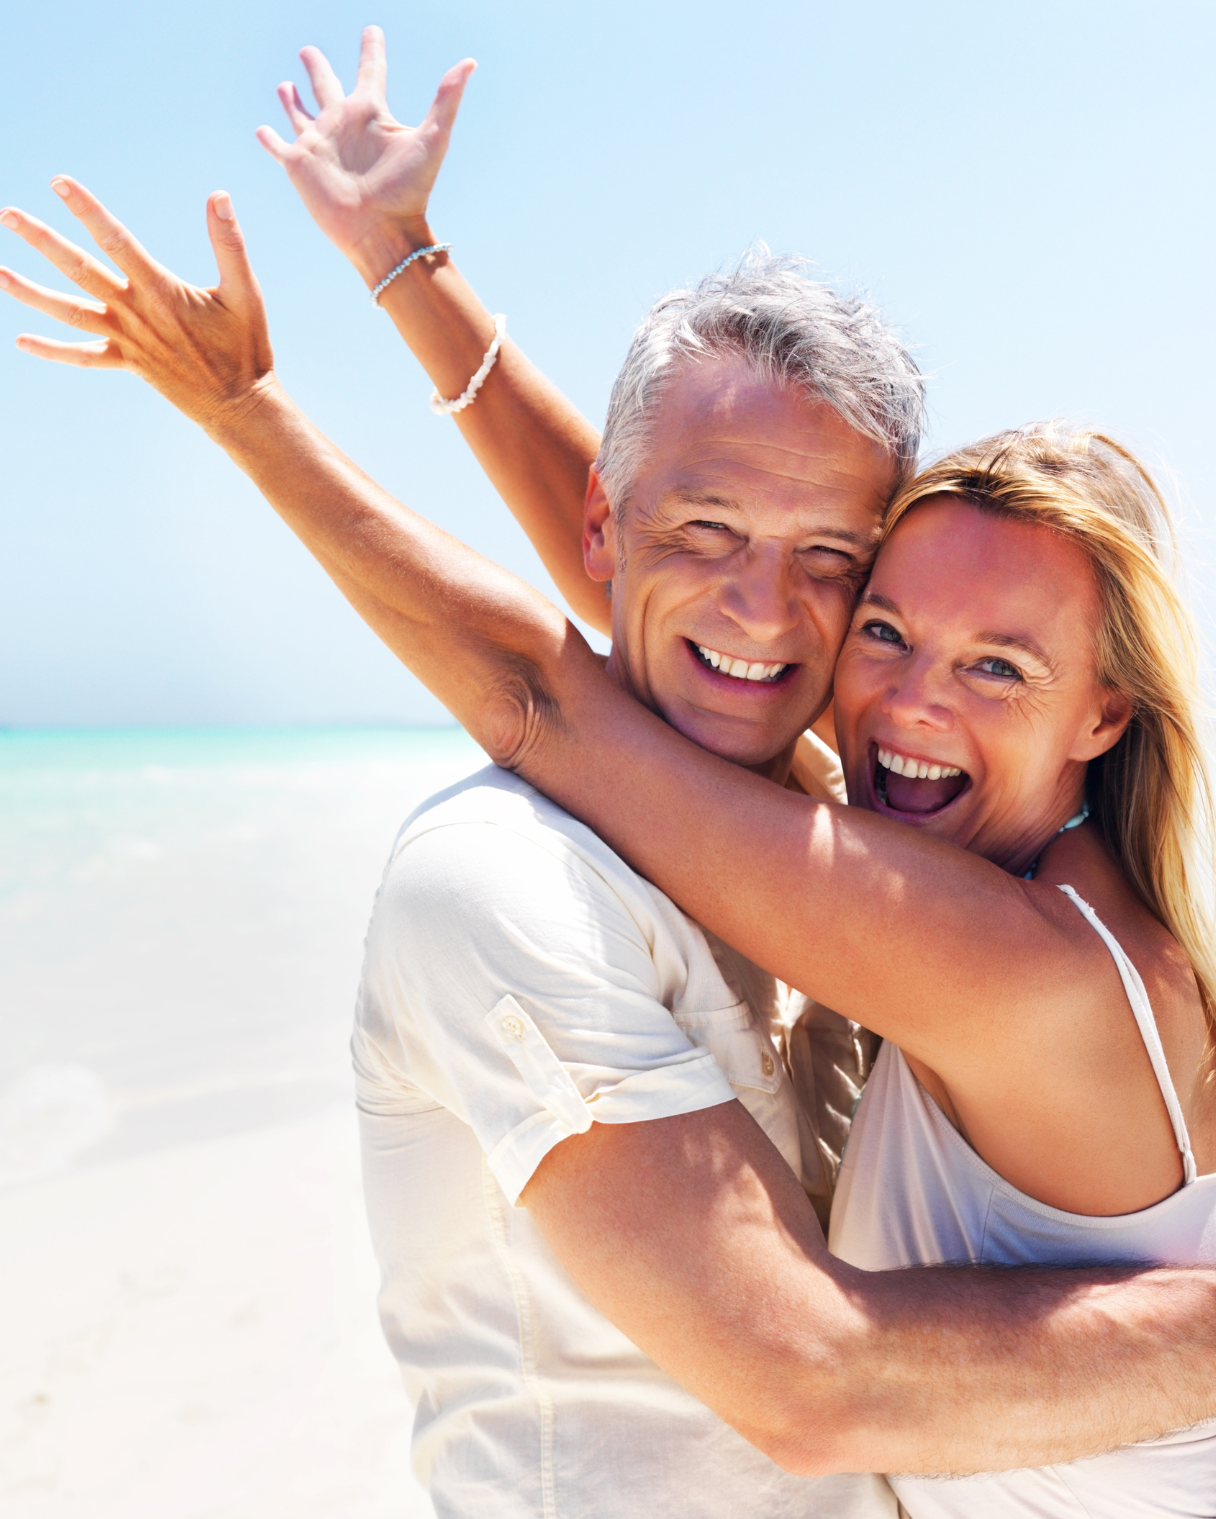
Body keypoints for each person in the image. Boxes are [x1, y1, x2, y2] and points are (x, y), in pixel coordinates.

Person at [4, 162, 1216, 1519]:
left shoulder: (1001, 950)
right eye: (886, 626)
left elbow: (564, 692)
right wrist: (410, 270)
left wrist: (249, 411)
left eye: (998, 666)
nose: (907, 693)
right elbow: (693, 593)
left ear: (1105, 713)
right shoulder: (931, 847)